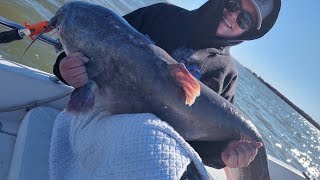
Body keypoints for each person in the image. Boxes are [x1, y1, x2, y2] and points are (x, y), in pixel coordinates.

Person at [53, 0, 281, 172]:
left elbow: (205, 147)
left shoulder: (226, 74)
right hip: (101, 118)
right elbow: (91, 44)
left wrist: (225, 154)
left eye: (244, 19)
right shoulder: (161, 14)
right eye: (233, 3)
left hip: (155, 149)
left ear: (250, 32)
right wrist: (64, 68)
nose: (232, 15)